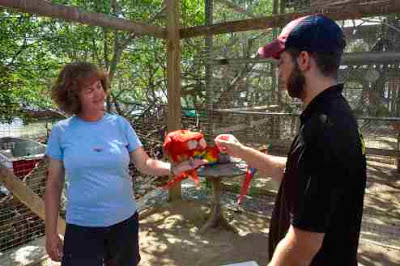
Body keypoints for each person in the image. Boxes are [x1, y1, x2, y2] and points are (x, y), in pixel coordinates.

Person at [215, 15, 366, 266]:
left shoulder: (322, 129)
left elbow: (301, 245)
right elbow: (294, 172)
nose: (279, 72)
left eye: (281, 61)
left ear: (304, 60)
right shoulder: (332, 113)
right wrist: (239, 150)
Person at [44, 62, 205, 266]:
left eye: (99, 86)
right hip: (82, 226)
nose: (98, 94)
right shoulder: (61, 131)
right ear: (74, 96)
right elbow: (54, 185)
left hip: (124, 222)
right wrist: (50, 233)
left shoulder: (120, 124)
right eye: (89, 90)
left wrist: (174, 168)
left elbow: (144, 163)